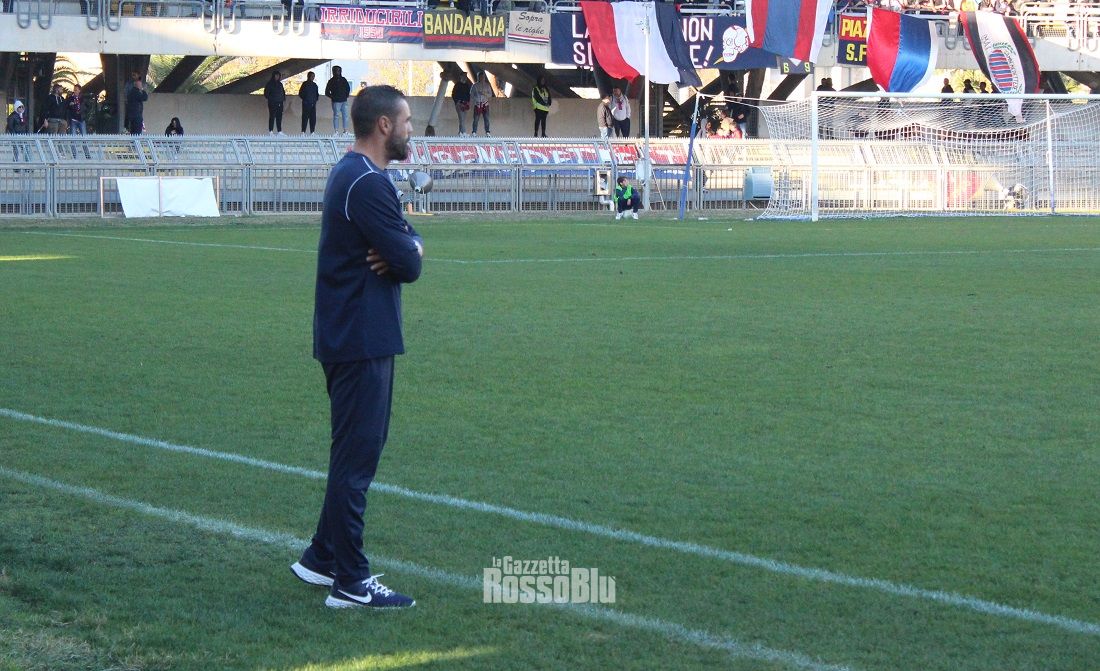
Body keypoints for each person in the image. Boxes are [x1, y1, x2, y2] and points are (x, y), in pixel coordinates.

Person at [290, 84, 423, 610]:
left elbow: (407, 242)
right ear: (384, 125)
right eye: (406, 121)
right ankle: (350, 580)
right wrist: (409, 248)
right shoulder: (366, 182)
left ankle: (322, 556)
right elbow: (408, 262)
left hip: (352, 334)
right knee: (357, 459)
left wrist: (408, 244)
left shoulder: (356, 175)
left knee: (352, 452)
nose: (411, 130)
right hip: (360, 337)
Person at [326, 65, 352, 135]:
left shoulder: (343, 79)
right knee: (336, 116)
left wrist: (346, 95)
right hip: (336, 102)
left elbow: (348, 88)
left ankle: (345, 131)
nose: (337, 72)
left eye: (339, 70)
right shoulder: (331, 81)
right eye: (336, 70)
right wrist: (333, 97)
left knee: (345, 116)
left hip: (344, 101)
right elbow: (327, 92)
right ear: (333, 71)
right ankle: (336, 131)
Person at [470, 71, 493, 136]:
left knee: (486, 119)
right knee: (476, 119)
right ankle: (474, 132)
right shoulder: (474, 86)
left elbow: (490, 95)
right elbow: (471, 95)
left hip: (485, 104)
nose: (481, 78)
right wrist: (476, 99)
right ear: (478, 77)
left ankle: (487, 132)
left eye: (483, 77)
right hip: (477, 104)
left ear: (484, 77)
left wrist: (484, 93)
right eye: (480, 77)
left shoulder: (487, 85)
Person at [265, 70, 286, 135]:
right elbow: (266, 94)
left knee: (279, 117)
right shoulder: (269, 84)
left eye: (278, 76)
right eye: (276, 75)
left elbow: (283, 92)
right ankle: (271, 131)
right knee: (272, 116)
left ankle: (279, 131)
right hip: (272, 103)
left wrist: (283, 99)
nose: (277, 77)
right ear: (273, 76)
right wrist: (272, 99)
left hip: (280, 103)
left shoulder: (280, 84)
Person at [451, 72, 471, 136]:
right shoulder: (457, 85)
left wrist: (468, 102)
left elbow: (468, 95)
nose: (465, 77)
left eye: (466, 76)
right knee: (461, 118)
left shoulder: (467, 85)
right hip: (459, 104)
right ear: (461, 76)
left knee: (463, 119)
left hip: (465, 104)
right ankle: (464, 132)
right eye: (464, 76)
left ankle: (460, 132)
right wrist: (457, 102)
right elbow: (453, 94)